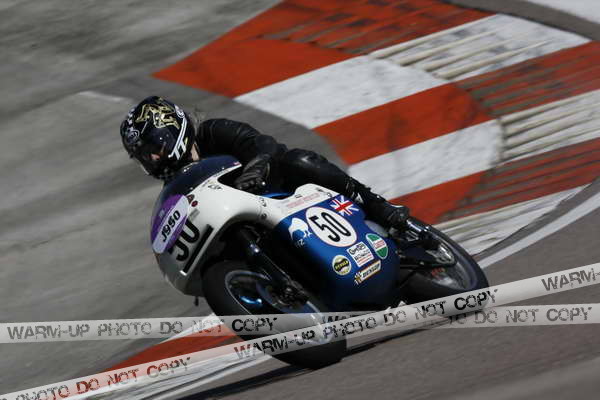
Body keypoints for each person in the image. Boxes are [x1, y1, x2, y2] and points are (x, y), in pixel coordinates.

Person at [120, 96, 409, 230]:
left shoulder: (214, 132)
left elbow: (262, 142)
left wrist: (257, 165)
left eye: (154, 147)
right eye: (144, 155)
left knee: (299, 160)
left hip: (285, 193)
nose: (153, 158)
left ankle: (379, 207)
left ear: (173, 130)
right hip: (253, 223)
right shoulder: (175, 190)